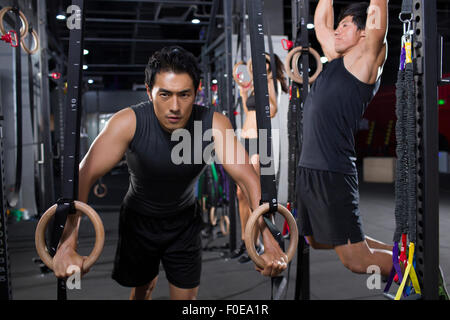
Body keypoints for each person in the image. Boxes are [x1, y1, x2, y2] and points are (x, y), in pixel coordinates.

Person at [52, 46, 287, 300]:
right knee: (143, 290)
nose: (174, 106)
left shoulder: (214, 124)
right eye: (164, 94)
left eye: (184, 95)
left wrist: (269, 240)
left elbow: (249, 180)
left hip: (184, 223)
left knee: (186, 300)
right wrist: (67, 243)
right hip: (139, 222)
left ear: (196, 92)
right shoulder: (127, 123)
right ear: (148, 92)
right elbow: (83, 176)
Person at [297, 1, 394, 276]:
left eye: (345, 26)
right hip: (310, 168)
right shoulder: (337, 59)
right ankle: (394, 252)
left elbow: (377, 11)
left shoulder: (365, 59)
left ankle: (425, 274)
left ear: (363, 33)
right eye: (338, 27)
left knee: (356, 261)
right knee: (315, 239)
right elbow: (322, 24)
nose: (336, 32)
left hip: (332, 170)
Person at [232, 53, 289, 263]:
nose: (261, 63)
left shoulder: (271, 82)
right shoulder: (255, 84)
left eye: (265, 60)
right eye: (259, 60)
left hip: (260, 140)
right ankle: (247, 241)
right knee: (240, 194)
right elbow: (249, 111)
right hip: (246, 138)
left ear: (270, 65)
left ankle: (255, 243)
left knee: (253, 194)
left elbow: (272, 110)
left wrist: (264, 91)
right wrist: (243, 91)